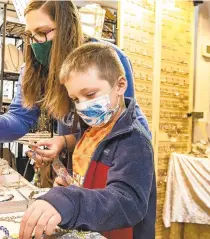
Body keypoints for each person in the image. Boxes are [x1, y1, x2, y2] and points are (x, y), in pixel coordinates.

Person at [0, 1, 150, 156]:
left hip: (118, 158)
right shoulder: (33, 70)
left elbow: (124, 124)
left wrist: (65, 141)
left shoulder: (108, 58)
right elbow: (21, 117)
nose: (35, 43)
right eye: (30, 35)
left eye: (42, 32)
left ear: (67, 27)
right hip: (77, 163)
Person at [19, 43, 156, 239]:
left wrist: (70, 200)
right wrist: (71, 185)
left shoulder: (134, 140)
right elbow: (90, 184)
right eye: (75, 99)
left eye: (90, 94)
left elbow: (127, 202)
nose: (83, 105)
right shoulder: (92, 130)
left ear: (120, 85)